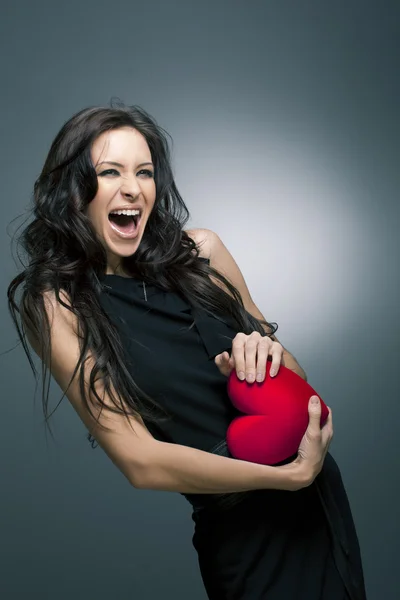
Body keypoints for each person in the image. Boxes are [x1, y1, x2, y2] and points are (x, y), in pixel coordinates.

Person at [7, 102, 367, 599]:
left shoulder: (203, 253)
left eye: (145, 172)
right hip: (243, 532)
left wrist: (265, 352)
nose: (133, 187)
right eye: (110, 171)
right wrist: (283, 479)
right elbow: (141, 461)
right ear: (74, 189)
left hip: (315, 506)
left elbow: (301, 386)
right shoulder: (58, 304)